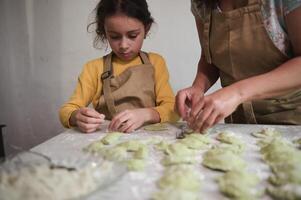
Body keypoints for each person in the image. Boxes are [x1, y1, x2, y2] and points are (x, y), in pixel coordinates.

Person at [176, 0, 301, 132]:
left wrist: (237, 93)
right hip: (238, 123)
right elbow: (208, 59)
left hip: (291, 119)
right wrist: (198, 87)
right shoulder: (201, 3)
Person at [59, 0, 178, 133]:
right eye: (114, 37)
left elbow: (172, 109)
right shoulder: (94, 68)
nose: (123, 45)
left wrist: (146, 114)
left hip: (150, 142)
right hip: (109, 142)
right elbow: (67, 110)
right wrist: (76, 117)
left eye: (132, 35)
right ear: (104, 32)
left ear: (147, 28)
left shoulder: (155, 62)